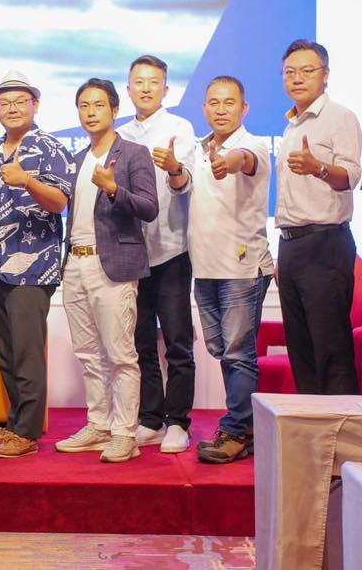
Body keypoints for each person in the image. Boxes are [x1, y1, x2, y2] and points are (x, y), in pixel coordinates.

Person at [0, 70, 75, 459]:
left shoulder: (49, 147)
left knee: (28, 352)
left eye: (20, 101)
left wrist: (26, 181)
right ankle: (15, 423)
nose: (12, 108)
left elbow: (59, 202)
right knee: (7, 351)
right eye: (4, 103)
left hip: (33, 269)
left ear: (35, 105)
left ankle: (28, 433)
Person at [55, 79, 157, 463]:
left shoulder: (133, 153)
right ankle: (98, 424)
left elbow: (149, 207)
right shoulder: (78, 158)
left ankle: (125, 433)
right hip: (75, 263)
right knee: (88, 353)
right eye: (83, 105)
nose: (90, 112)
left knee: (120, 355)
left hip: (112, 264)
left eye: (98, 105)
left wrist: (115, 190)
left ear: (115, 110)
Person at [186, 76, 273, 464]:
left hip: (243, 267)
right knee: (221, 350)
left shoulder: (253, 145)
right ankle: (245, 427)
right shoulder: (197, 148)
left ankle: (236, 430)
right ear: (205, 108)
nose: (221, 109)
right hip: (204, 266)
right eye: (214, 103)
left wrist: (229, 161)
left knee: (238, 353)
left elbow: (244, 160)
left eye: (229, 102)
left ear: (244, 108)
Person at [118, 54, 198, 453]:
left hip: (171, 249)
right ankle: (150, 419)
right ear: (128, 88)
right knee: (141, 342)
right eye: (139, 81)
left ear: (166, 89)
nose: (146, 88)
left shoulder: (179, 129)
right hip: (131, 253)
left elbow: (186, 184)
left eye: (154, 82)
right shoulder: (119, 135)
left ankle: (178, 421)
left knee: (178, 341)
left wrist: (173, 168)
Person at [274, 39, 362, 395]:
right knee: (301, 349)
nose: (297, 78)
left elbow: (350, 177)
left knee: (331, 348)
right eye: (289, 72)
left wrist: (319, 168)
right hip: (291, 244)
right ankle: (310, 423)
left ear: (325, 75)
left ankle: (340, 424)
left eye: (307, 71)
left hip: (325, 242)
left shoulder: (340, 117)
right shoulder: (291, 125)